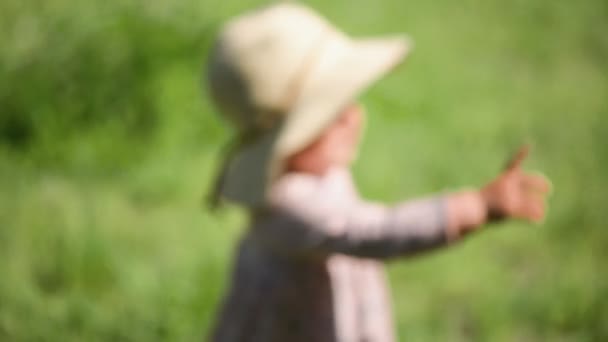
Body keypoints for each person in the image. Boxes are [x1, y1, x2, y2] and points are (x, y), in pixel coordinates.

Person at [204, 3, 551, 342]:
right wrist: (475, 206)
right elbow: (375, 231)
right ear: (285, 140)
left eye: (348, 102)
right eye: (331, 114)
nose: (353, 118)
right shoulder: (286, 203)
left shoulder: (315, 170)